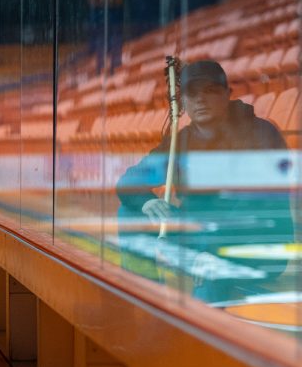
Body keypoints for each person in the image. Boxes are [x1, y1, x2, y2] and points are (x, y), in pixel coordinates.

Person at [115, 59, 295, 302]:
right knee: (129, 211)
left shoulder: (260, 134)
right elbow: (128, 181)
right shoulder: (181, 141)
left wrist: (210, 250)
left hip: (249, 243)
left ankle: (199, 328)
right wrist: (146, 201)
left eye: (210, 91)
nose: (201, 99)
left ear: (227, 95)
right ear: (184, 103)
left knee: (212, 268)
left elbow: (254, 207)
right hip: (199, 237)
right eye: (193, 93)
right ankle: (146, 302)